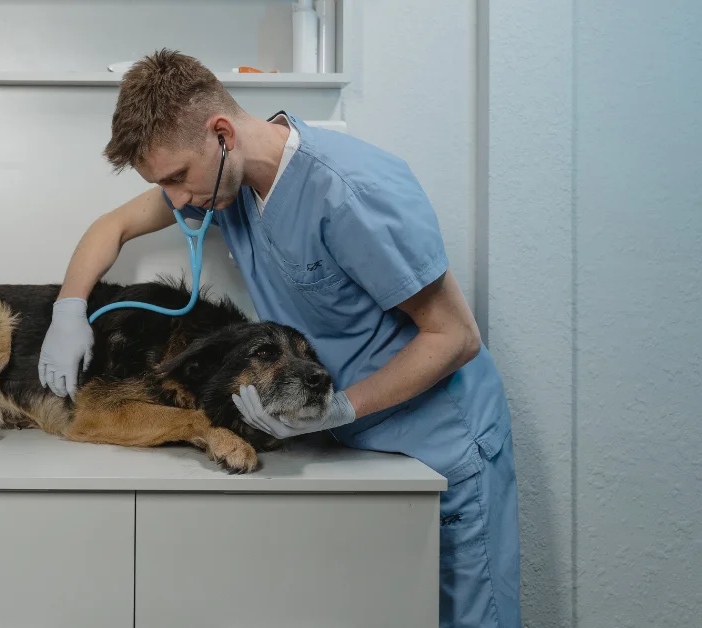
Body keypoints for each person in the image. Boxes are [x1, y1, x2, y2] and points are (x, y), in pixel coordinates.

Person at [36, 49, 520, 627]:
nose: (179, 201)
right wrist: (69, 307)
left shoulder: (349, 192)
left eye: (177, 179)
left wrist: (340, 408)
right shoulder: (224, 182)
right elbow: (111, 227)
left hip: (437, 445)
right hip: (348, 449)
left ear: (221, 134)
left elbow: (455, 336)